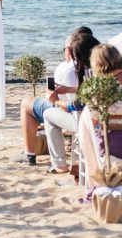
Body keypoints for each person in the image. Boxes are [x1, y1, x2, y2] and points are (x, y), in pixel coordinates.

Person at [15, 27, 93, 165]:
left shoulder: (66, 69)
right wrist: (69, 89)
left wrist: (54, 99)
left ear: (69, 49)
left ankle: (31, 155)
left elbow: (69, 106)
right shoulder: (101, 69)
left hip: (76, 115)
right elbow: (90, 90)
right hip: (99, 116)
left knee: (28, 104)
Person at [44, 33, 100, 173]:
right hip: (111, 125)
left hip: (90, 125)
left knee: (48, 114)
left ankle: (60, 165)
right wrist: (68, 89)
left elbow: (74, 106)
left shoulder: (89, 74)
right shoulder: (106, 74)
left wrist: (55, 100)